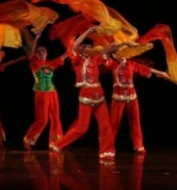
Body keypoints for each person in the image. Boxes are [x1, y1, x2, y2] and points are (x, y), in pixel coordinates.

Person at [50, 27, 120, 160]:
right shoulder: (76, 60)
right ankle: (58, 145)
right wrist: (88, 32)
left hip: (99, 96)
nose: (86, 49)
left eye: (88, 47)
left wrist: (116, 35)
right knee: (82, 127)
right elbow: (74, 46)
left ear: (91, 49)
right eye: (84, 47)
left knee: (106, 126)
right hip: (86, 96)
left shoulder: (96, 59)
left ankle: (106, 152)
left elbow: (110, 49)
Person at [105, 50, 168, 154]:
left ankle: (138, 145)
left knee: (135, 122)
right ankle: (108, 147)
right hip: (118, 98)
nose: (119, 56)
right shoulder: (113, 64)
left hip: (132, 97)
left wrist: (161, 72)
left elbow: (146, 69)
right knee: (114, 123)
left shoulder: (131, 64)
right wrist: (112, 48)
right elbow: (105, 56)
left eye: (122, 53)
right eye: (117, 54)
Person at [23, 30, 67, 150]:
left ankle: (55, 142)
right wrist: (36, 38)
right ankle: (28, 138)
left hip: (52, 92)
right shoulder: (34, 63)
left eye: (43, 51)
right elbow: (32, 52)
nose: (41, 52)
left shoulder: (52, 64)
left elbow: (64, 56)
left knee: (55, 117)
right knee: (42, 120)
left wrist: (73, 47)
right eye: (39, 51)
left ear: (47, 53)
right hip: (40, 93)